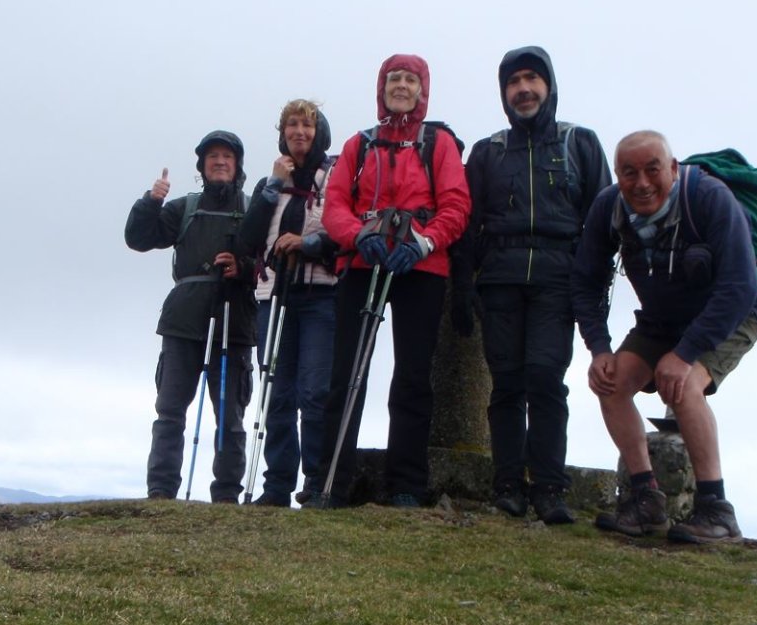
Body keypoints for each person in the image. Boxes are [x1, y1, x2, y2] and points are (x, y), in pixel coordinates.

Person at [571, 130, 757, 543]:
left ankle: (716, 510)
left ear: (674, 169)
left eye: (652, 170)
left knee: (684, 386)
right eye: (629, 173)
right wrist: (600, 348)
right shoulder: (610, 206)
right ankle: (646, 501)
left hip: (732, 311)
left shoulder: (711, 199)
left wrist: (686, 354)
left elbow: (739, 286)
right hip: (662, 317)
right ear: (617, 175)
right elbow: (585, 283)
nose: (641, 183)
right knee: (611, 383)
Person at [451, 46, 611, 525]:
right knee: (506, 384)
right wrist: (463, 288)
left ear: (549, 86)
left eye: (531, 79)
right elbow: (466, 224)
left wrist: (595, 289)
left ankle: (548, 487)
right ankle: (506, 485)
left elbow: (602, 222)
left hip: (557, 281)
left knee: (545, 380)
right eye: (513, 82)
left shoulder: (580, 143)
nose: (522, 89)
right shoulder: (487, 151)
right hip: (498, 280)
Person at [308, 53, 471, 508]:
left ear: (423, 90)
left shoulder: (437, 143)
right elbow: (335, 202)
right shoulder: (359, 144)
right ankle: (330, 483)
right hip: (365, 260)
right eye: (393, 79)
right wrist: (359, 236)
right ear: (381, 87)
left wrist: (424, 242)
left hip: (420, 265)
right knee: (346, 372)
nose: (401, 86)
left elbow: (456, 205)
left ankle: (406, 485)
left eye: (410, 80)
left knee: (414, 375)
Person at [125, 131, 255, 503]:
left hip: (235, 320)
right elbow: (138, 238)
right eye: (212, 156)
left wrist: (243, 268)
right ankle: (161, 491)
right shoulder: (183, 207)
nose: (219, 161)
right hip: (184, 321)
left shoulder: (252, 211)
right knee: (169, 411)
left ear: (237, 165)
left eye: (227, 157)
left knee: (230, 417)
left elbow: (268, 263)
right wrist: (151, 201)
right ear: (201, 166)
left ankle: (226, 495)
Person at [237, 101, 337, 507]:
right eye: (292, 125)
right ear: (282, 133)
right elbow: (248, 239)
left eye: (307, 125)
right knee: (278, 391)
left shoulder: (335, 177)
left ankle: (314, 483)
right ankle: (276, 485)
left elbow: (342, 229)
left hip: (321, 293)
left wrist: (307, 244)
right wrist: (273, 187)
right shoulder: (271, 181)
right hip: (274, 295)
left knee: (314, 391)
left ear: (320, 131)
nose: (299, 132)